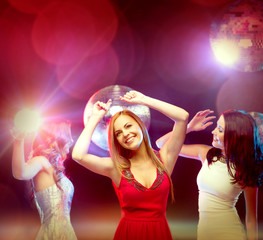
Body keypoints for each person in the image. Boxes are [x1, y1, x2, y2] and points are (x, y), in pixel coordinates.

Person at [72, 90, 189, 240]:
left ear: (140, 125)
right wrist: (95, 118)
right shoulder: (116, 167)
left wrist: (145, 100)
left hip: (160, 234)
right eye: (118, 133)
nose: (125, 134)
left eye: (128, 126)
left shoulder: (165, 158)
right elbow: (78, 155)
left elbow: (182, 117)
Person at [156, 109, 263, 240]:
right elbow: (161, 144)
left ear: (235, 135)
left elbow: (251, 219)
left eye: (220, 129)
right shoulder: (207, 154)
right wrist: (189, 127)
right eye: (216, 127)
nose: (213, 131)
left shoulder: (246, 169)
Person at [11, 121, 77, 240]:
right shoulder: (41, 161)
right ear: (57, 138)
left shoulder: (57, 169)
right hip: (53, 234)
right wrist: (18, 140)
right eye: (68, 135)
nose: (72, 140)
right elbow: (19, 173)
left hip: (67, 232)